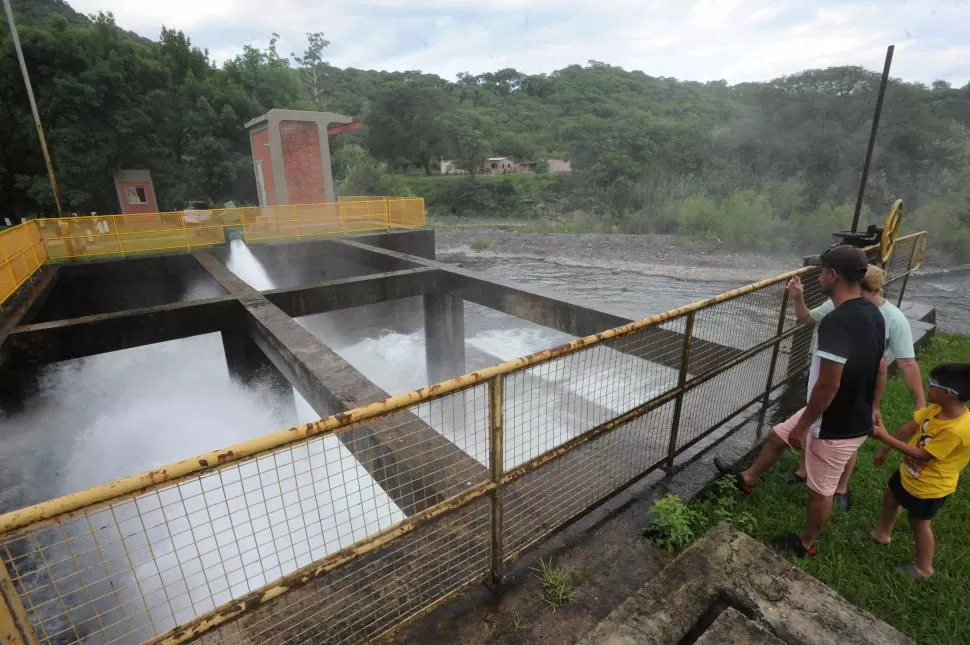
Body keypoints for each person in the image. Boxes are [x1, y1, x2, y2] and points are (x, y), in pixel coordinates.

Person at [715, 245, 887, 557]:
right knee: (777, 435)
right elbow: (880, 366)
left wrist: (805, 426)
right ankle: (747, 479)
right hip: (845, 411)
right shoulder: (872, 312)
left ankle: (805, 543)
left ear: (832, 275)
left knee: (820, 491)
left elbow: (829, 383)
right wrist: (873, 406)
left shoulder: (838, 321)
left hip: (834, 423)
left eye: (821, 272)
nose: (818, 277)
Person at [785, 264, 925, 510]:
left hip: (857, 390)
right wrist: (798, 298)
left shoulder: (893, 319)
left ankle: (840, 488)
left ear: (864, 289)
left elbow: (907, 363)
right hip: (830, 382)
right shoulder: (842, 304)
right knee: (815, 425)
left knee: (846, 439)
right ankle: (805, 471)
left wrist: (920, 407)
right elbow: (807, 318)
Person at [869, 363, 970, 578]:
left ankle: (924, 568)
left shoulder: (957, 431)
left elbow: (924, 455)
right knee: (891, 496)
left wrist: (885, 437)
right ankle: (881, 534)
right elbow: (909, 427)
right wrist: (884, 449)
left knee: (918, 522)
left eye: (933, 384)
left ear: (949, 394)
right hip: (909, 472)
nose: (928, 386)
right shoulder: (937, 409)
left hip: (930, 486)